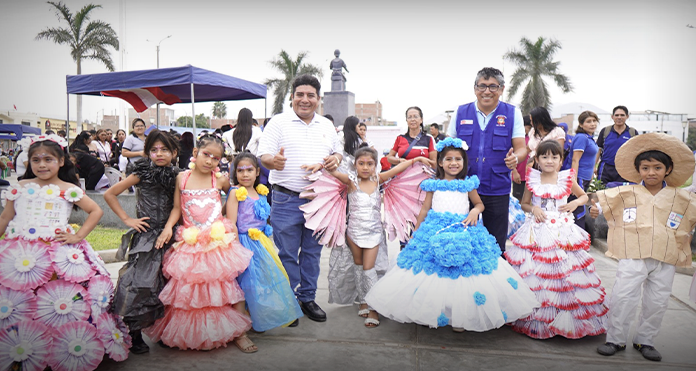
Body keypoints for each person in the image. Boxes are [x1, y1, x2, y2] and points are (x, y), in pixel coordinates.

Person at [365, 137, 539, 331]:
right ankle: (433, 311)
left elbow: (479, 204)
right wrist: (417, 230)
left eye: (458, 159)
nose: (453, 163)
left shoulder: (467, 184)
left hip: (464, 228)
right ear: (440, 162)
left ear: (464, 162)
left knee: (465, 271)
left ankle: (460, 315)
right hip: (434, 228)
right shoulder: (433, 184)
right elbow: (424, 209)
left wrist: (474, 211)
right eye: (448, 159)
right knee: (432, 270)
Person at [0, 135, 131, 369]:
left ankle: (61, 349)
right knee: (18, 299)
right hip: (19, 253)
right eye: (36, 160)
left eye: (48, 159)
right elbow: (5, 218)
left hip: (59, 253)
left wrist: (78, 236)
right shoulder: (19, 187)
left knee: (59, 300)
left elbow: (95, 211)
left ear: (61, 161)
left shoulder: (69, 189)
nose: (42, 165)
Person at [590, 133, 696, 362]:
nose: (651, 173)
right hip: (633, 254)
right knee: (623, 295)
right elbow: (602, 202)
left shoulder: (681, 197)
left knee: (658, 299)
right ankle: (615, 339)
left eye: (657, 167)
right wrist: (595, 209)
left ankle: (645, 340)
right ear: (638, 170)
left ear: (668, 170)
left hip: (665, 256)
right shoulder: (628, 192)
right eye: (645, 167)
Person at [144, 134, 254, 352]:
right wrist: (168, 229)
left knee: (226, 287)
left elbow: (234, 196)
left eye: (216, 158)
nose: (210, 161)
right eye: (206, 155)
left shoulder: (219, 179)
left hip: (216, 243)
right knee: (189, 290)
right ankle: (190, 332)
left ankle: (239, 332)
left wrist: (225, 220)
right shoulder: (182, 178)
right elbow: (177, 208)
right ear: (195, 153)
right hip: (191, 242)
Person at [257, 74, 342, 325]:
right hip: (286, 199)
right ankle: (288, 300)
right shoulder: (278, 122)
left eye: (310, 95)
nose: (305, 100)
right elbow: (264, 156)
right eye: (300, 95)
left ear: (318, 99)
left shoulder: (326, 125)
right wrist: (274, 161)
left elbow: (337, 150)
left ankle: (307, 298)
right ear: (292, 97)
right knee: (287, 253)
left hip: (319, 201)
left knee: (312, 253)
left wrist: (335, 158)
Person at [507, 140, 607, 339]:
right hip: (537, 230)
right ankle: (536, 318)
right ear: (537, 160)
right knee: (535, 273)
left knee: (565, 273)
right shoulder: (533, 179)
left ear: (561, 161)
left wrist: (575, 204)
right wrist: (533, 208)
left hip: (562, 231)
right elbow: (525, 203)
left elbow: (584, 196)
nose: (549, 161)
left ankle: (566, 315)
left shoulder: (566, 179)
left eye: (554, 157)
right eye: (544, 157)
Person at [322, 147, 430, 327]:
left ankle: (374, 307)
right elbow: (330, 171)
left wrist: (417, 159)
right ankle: (363, 300)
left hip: (373, 233)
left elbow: (397, 169)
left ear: (375, 166)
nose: (365, 167)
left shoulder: (378, 179)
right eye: (361, 163)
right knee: (358, 266)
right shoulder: (351, 181)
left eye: (370, 164)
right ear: (355, 165)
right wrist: (323, 162)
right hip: (354, 232)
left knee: (368, 269)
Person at [104, 129, 180, 355]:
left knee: (167, 286)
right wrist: (128, 219)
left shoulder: (178, 175)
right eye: (154, 150)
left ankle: (164, 332)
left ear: (174, 152)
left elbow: (179, 205)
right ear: (147, 153)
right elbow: (110, 194)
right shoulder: (141, 172)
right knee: (140, 283)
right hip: (146, 236)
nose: (159, 154)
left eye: (165, 149)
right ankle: (134, 333)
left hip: (170, 234)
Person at [447, 67, 527, 252]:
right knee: (459, 239)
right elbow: (448, 146)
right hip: (463, 186)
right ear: (475, 88)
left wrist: (516, 157)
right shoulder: (460, 112)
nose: (487, 91)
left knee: (495, 243)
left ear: (501, 89)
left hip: (497, 187)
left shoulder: (512, 113)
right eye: (482, 86)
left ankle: (494, 278)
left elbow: (522, 148)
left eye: (493, 86)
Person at [226, 152, 303, 333]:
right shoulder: (236, 193)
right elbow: (231, 223)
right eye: (240, 170)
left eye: (249, 170)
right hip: (243, 243)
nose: (245, 174)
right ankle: (242, 321)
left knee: (263, 281)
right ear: (235, 173)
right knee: (247, 283)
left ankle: (258, 317)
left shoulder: (260, 192)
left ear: (257, 171)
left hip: (260, 243)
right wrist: (237, 248)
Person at [568, 111, 601, 229]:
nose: (592, 124)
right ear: (581, 125)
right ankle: (577, 239)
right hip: (579, 178)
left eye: (594, 121)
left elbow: (590, 159)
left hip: (586, 178)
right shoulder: (581, 138)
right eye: (588, 121)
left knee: (579, 206)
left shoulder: (590, 138)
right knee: (578, 209)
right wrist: (574, 180)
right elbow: (575, 160)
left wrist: (592, 174)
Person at [596, 106, 639, 186]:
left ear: (627, 116)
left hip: (625, 169)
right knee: (602, 192)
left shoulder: (632, 132)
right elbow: (598, 150)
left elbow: (637, 152)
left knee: (622, 193)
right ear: (612, 117)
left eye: (622, 115)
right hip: (606, 168)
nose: (619, 117)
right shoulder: (605, 131)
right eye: (617, 115)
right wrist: (593, 168)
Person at [511, 116, 533, 201]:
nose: (526, 130)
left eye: (529, 128)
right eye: (526, 127)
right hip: (519, 175)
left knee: (529, 200)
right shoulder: (516, 139)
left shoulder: (532, 138)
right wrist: (515, 172)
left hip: (530, 175)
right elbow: (510, 156)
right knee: (518, 200)